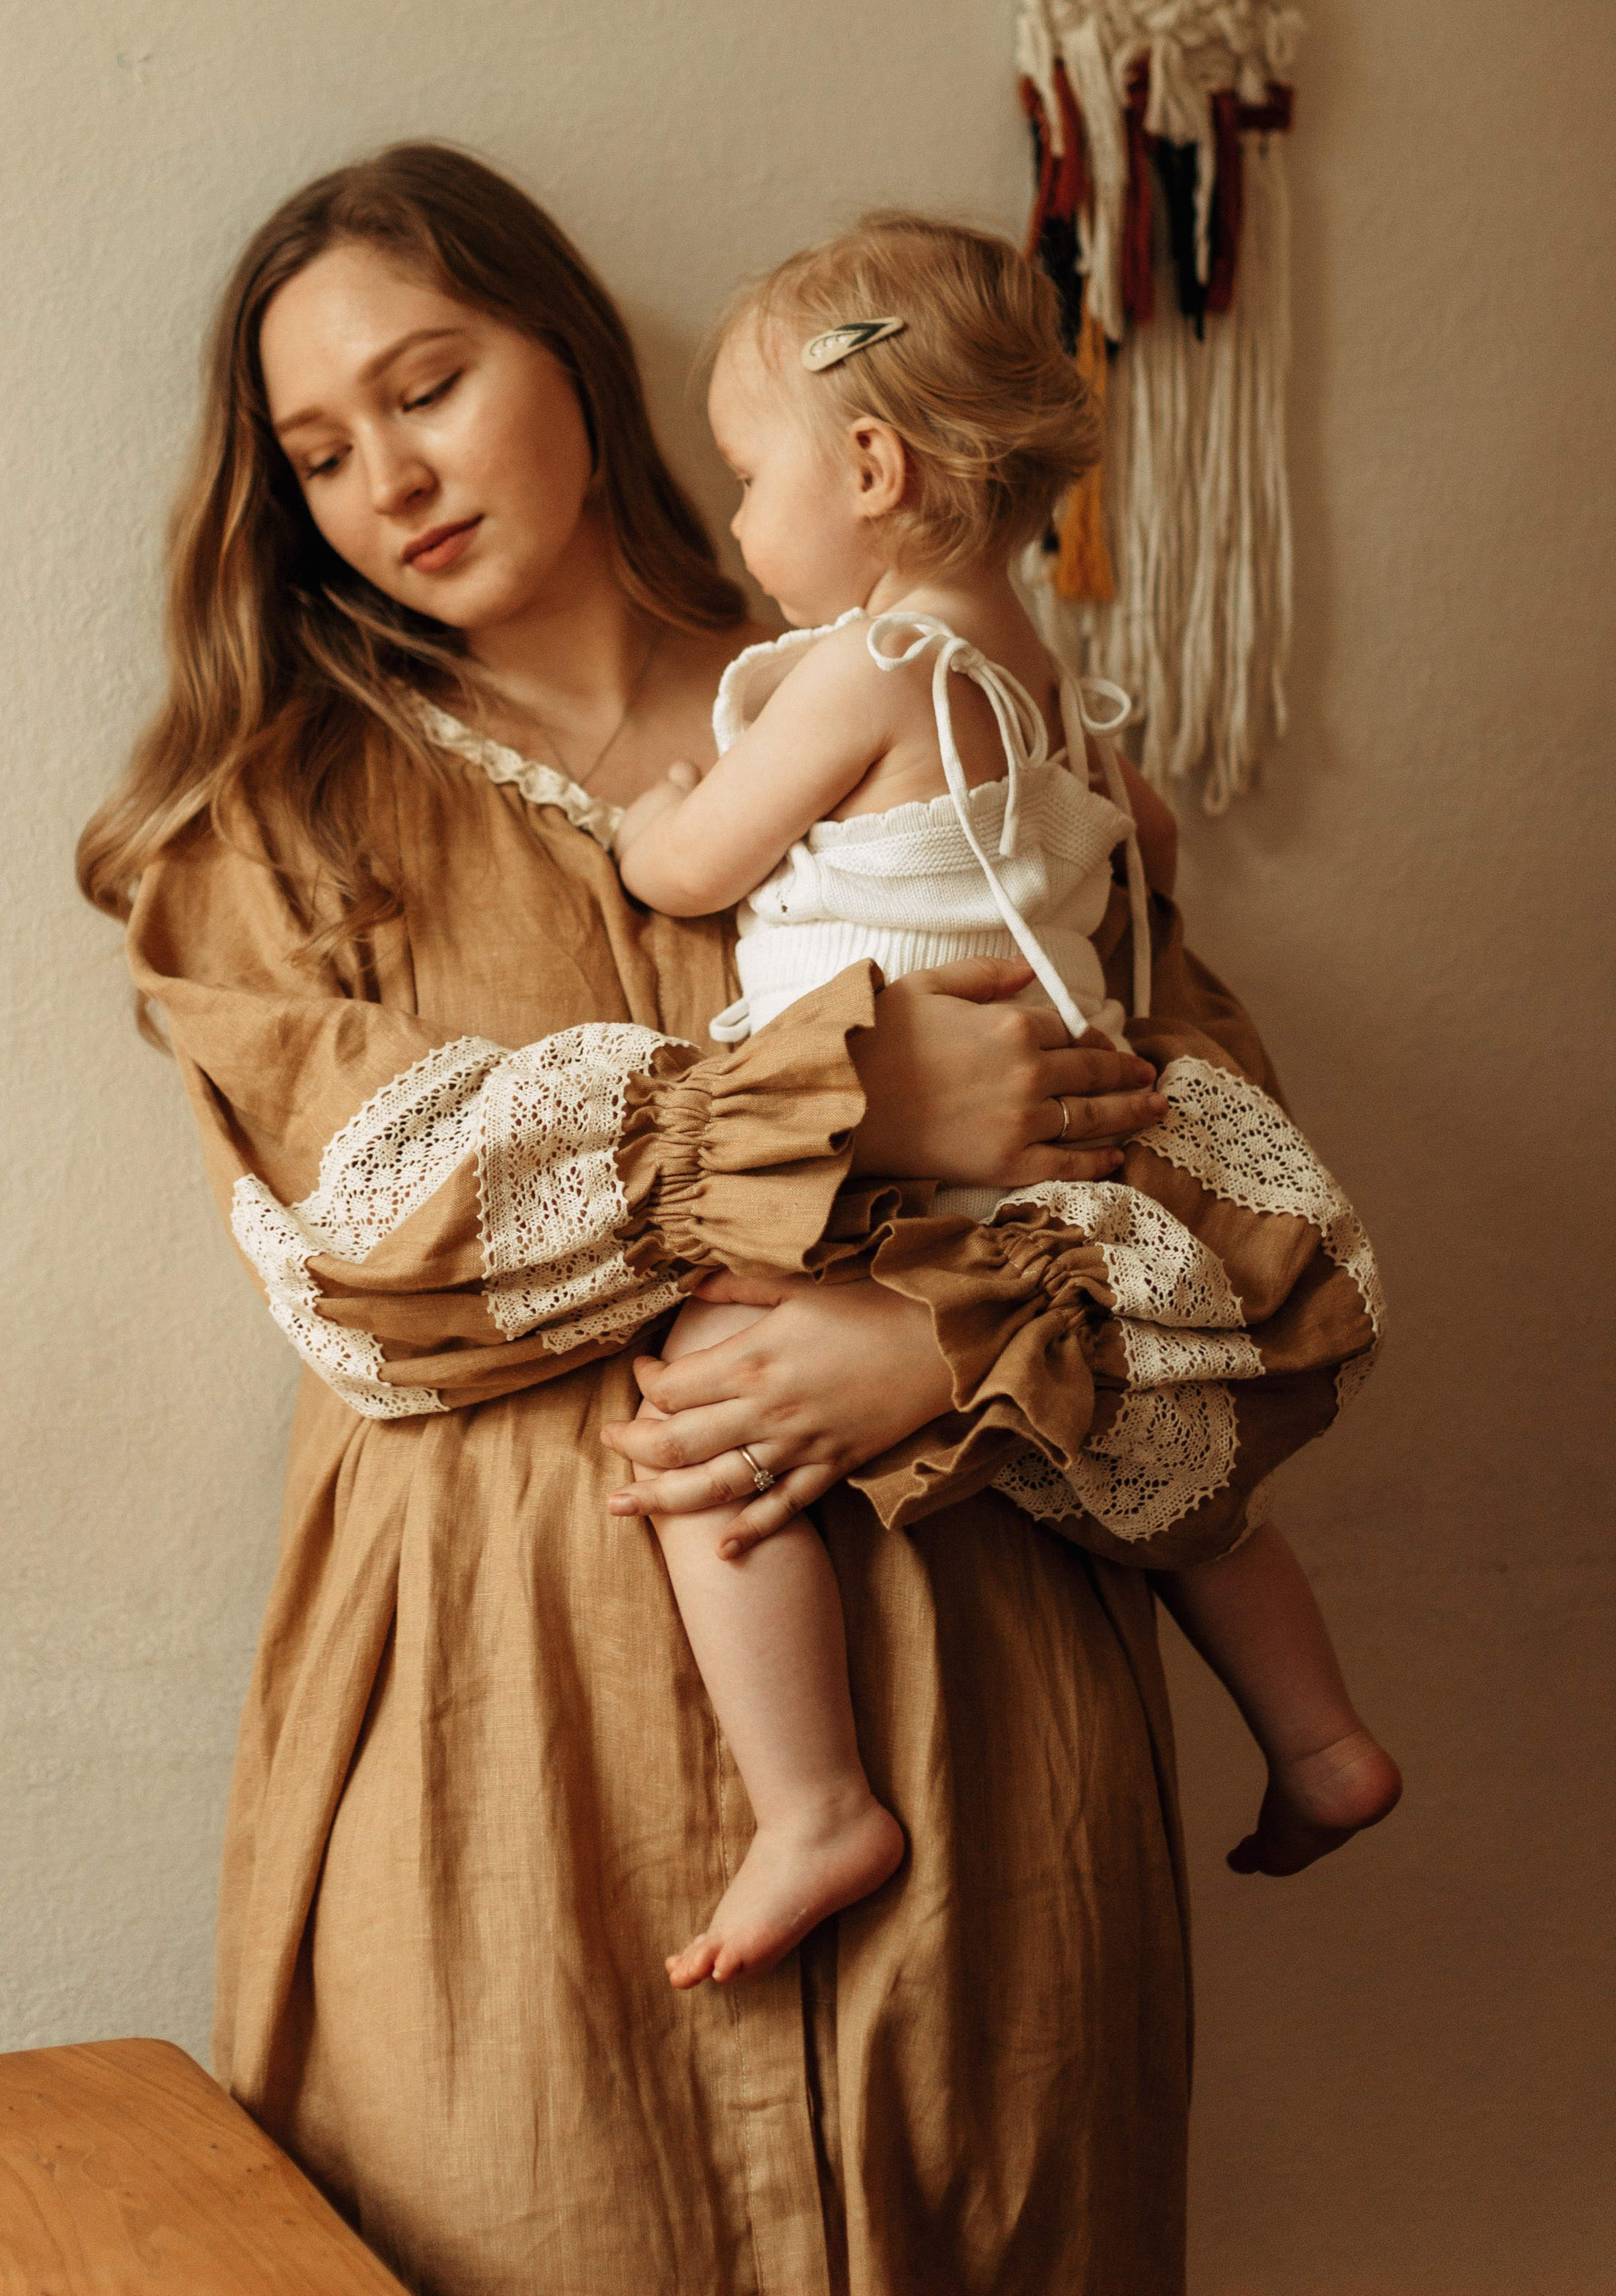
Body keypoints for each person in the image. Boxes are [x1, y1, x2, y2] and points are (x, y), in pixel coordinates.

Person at [78, 141, 1379, 2296]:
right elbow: (365, 1256)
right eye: (314, 452)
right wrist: (837, 1102)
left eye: (426, 385)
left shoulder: (949, 723)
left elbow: (1246, 1228)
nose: (387, 478)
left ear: (573, 363)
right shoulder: (276, 820)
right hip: (507, 1741)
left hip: (984, 1716)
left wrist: (945, 1339)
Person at [611, 213, 1400, 1991]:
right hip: (1062, 1169)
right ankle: (1319, 1736)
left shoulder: (872, 670)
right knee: (1173, 1475)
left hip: (886, 1166)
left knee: (706, 1406)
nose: (736, 525)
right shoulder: (1044, 695)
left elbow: (691, 870)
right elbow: (1140, 859)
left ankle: (813, 1805)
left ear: (869, 469)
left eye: (746, 479)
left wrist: (646, 818)